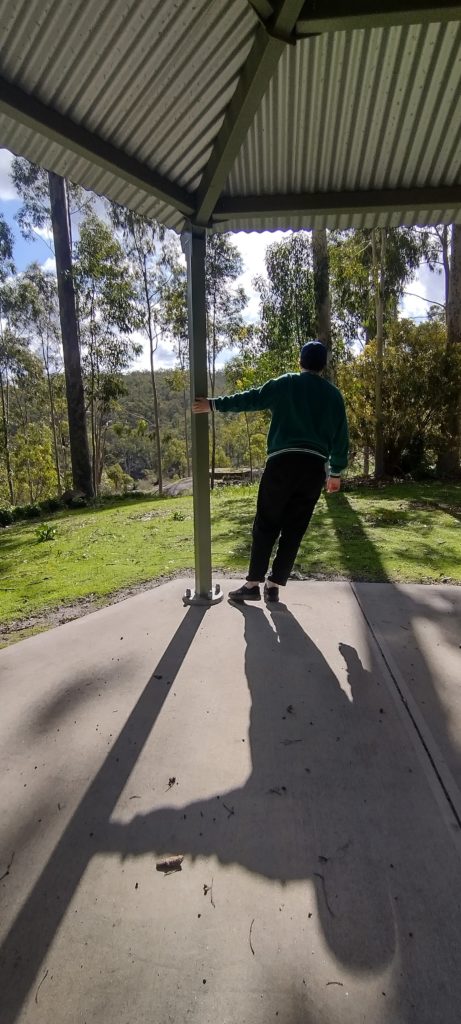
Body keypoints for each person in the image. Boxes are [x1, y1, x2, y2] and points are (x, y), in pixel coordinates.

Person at [192, 340, 348, 603]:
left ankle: (252, 584)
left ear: (300, 361)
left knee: (266, 522)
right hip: (313, 468)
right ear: (324, 365)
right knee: (295, 528)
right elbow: (341, 437)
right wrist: (336, 472)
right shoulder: (333, 395)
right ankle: (274, 585)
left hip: (282, 463)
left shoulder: (286, 383)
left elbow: (251, 398)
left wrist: (213, 404)